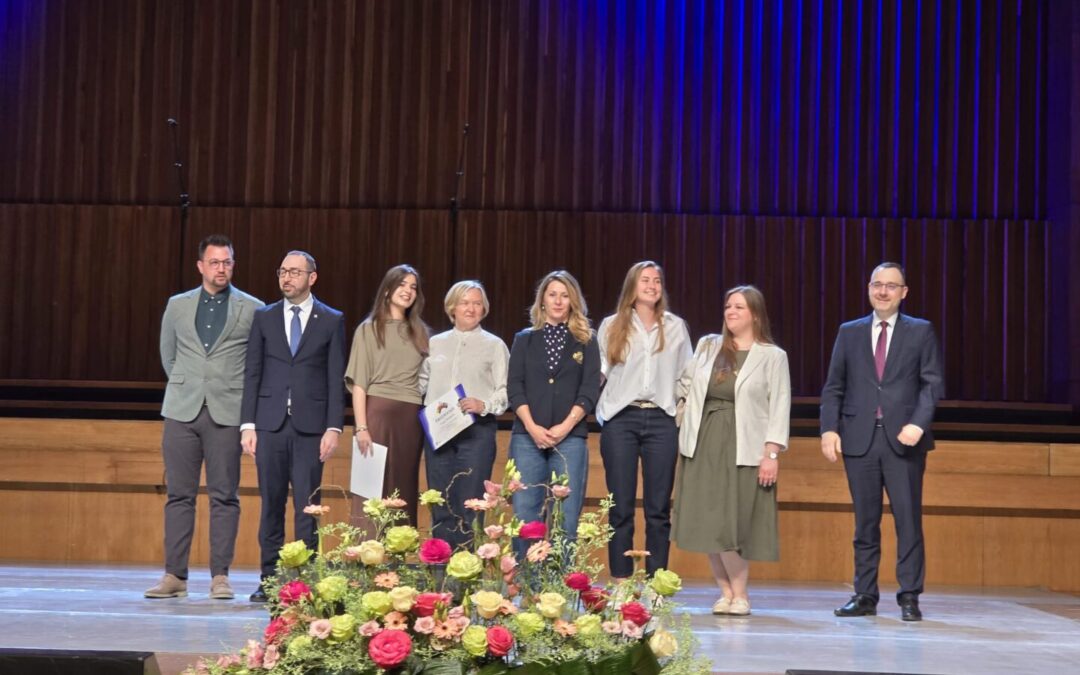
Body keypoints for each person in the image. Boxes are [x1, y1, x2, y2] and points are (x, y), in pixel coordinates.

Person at [821, 262, 943, 622]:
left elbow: (931, 384)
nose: (883, 291)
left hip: (903, 440)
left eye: (891, 285)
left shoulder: (920, 331)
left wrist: (918, 424)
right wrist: (829, 429)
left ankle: (909, 596)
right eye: (877, 284)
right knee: (865, 523)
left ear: (904, 292)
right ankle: (864, 595)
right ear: (869, 288)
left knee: (908, 521)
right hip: (859, 439)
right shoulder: (849, 332)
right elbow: (834, 386)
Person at [146, 234, 264, 600]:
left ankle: (220, 577)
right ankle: (174, 575)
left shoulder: (253, 308)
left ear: (233, 265)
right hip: (182, 409)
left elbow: (255, 363)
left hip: (226, 411)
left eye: (226, 262)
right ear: (201, 266)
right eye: (214, 262)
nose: (221, 268)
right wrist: (189, 384)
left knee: (224, 496)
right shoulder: (178, 305)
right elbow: (168, 354)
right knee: (179, 495)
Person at [672, 285, 790, 616]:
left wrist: (771, 453)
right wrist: (682, 412)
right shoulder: (709, 346)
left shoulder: (772, 356)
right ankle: (725, 593)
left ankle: (741, 594)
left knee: (731, 522)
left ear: (755, 314)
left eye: (739, 307)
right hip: (704, 441)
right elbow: (685, 384)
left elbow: (779, 406)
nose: (730, 311)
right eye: (727, 306)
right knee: (709, 521)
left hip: (744, 445)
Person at [240, 251, 346, 602]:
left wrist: (333, 427)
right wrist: (248, 424)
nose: (287, 278)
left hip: (310, 428)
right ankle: (269, 579)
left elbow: (334, 376)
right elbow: (252, 372)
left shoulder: (330, 319)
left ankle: (304, 582)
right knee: (271, 505)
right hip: (269, 425)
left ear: (312, 277)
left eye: (295, 272)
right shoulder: (265, 317)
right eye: (283, 271)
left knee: (307, 508)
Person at [596, 261, 692, 578]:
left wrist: (676, 403)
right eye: (645, 280)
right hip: (621, 420)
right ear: (632, 286)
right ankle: (621, 580)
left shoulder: (675, 326)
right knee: (620, 507)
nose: (652, 285)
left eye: (657, 280)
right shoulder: (612, 325)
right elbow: (599, 373)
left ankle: (656, 582)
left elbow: (687, 373)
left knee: (658, 509)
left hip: (661, 421)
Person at [507, 270, 600, 552]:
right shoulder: (524, 339)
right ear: (542, 301)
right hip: (527, 437)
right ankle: (527, 579)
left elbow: (589, 390)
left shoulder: (587, 340)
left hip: (570, 438)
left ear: (573, 301)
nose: (558, 301)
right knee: (526, 515)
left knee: (566, 518)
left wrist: (565, 427)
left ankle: (561, 579)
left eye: (565, 296)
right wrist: (532, 427)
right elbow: (515, 387)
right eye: (552, 295)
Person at [420, 280, 509, 549]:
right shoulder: (434, 343)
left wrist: (484, 404)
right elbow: (419, 385)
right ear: (452, 308)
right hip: (438, 432)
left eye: (477, 303)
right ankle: (440, 565)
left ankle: (468, 566)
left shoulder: (494, 345)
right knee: (440, 502)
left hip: (476, 432)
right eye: (465, 302)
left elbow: (505, 390)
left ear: (484, 308)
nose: (471, 308)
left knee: (471, 504)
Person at [347, 264, 428, 526]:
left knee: (403, 488)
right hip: (376, 416)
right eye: (402, 284)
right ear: (387, 289)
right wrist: (361, 427)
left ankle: (400, 548)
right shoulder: (368, 329)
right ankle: (366, 549)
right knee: (369, 490)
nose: (408, 291)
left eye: (413, 287)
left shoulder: (421, 332)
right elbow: (359, 384)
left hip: (410, 419)